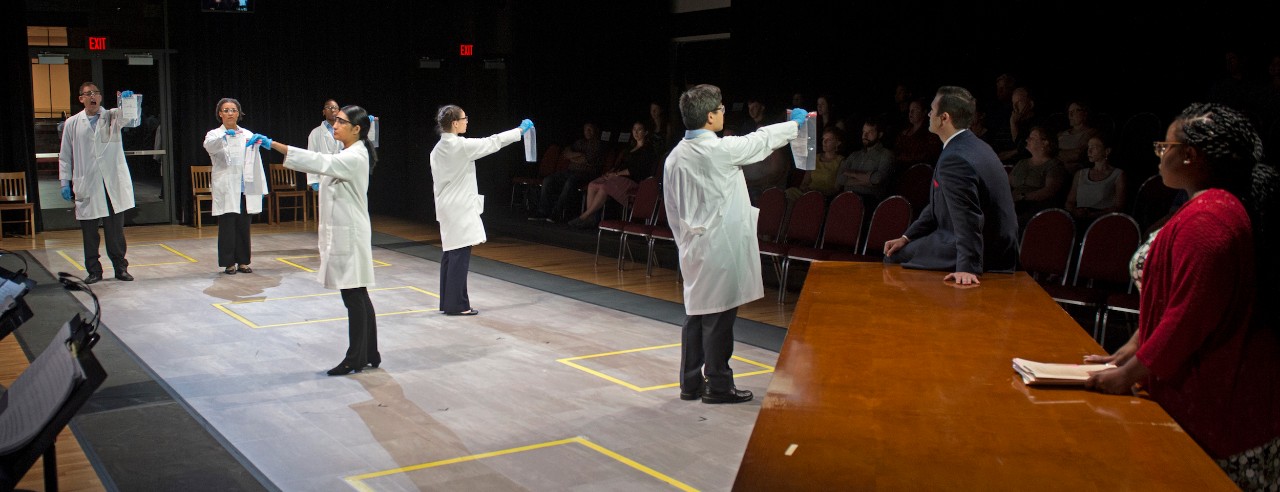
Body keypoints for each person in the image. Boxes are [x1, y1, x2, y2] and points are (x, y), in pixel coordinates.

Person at [1084, 103, 1280, 490]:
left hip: (1218, 404)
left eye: (1164, 147)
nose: (1159, 156)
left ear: (1189, 155)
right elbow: (1172, 300)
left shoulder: (1210, 218)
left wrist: (1129, 375)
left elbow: (1189, 316)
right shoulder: (1208, 207)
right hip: (1203, 388)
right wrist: (1133, 347)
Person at [664, 83, 807, 404]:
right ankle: (718, 384)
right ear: (711, 116)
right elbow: (758, 141)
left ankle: (690, 383)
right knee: (719, 318)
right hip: (719, 247)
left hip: (693, 246)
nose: (724, 111)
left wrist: (684, 242)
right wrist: (794, 124)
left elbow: (671, 209)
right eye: (721, 108)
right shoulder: (719, 150)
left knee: (697, 314)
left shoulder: (674, 157)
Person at [248, 106, 379, 376]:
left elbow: (318, 161)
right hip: (347, 230)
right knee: (357, 293)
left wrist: (274, 145)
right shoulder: (349, 152)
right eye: (336, 120)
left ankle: (355, 358)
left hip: (350, 233)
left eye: (342, 121)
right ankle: (370, 352)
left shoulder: (354, 156)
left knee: (353, 295)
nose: (335, 124)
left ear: (357, 128)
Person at [884, 86, 1018, 285]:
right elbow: (940, 203)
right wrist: (907, 237)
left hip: (980, 250)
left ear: (944, 117)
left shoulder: (955, 158)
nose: (929, 115)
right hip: (999, 247)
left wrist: (967, 267)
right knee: (900, 248)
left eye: (932, 110)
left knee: (892, 257)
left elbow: (968, 215)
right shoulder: (974, 145)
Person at [429, 105, 532, 315]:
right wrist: (519, 131)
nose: (467, 121)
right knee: (459, 253)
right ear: (455, 123)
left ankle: (449, 302)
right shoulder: (460, 146)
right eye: (464, 118)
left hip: (446, 206)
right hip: (458, 207)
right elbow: (493, 142)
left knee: (451, 253)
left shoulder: (438, 149)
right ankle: (457, 305)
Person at [57, 82, 139, 284]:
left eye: (96, 93)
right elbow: (65, 155)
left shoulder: (112, 116)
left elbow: (132, 119)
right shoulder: (72, 123)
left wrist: (128, 101)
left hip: (110, 184)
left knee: (115, 232)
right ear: (81, 99)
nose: (92, 97)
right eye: (88, 94)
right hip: (88, 184)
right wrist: (64, 182)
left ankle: (120, 268)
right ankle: (94, 270)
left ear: (100, 97)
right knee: (89, 233)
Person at [202, 98, 268, 274]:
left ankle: (243, 261)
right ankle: (228, 262)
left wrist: (260, 187)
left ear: (239, 113)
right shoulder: (214, 134)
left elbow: (255, 161)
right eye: (226, 110)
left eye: (233, 110)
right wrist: (225, 137)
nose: (230, 113)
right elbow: (210, 147)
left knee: (243, 225)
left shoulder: (247, 134)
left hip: (244, 187)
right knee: (227, 225)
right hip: (226, 186)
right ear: (220, 114)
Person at [569, 121, 657, 228]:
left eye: (639, 130)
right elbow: (619, 164)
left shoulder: (647, 150)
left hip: (633, 180)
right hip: (618, 177)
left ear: (646, 132)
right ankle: (591, 219)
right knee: (592, 184)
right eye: (634, 129)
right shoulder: (629, 149)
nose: (636, 132)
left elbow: (635, 170)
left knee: (604, 187)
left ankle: (584, 216)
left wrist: (616, 174)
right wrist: (611, 172)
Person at [529, 122, 604, 221]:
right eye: (586, 129)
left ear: (595, 131)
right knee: (548, 180)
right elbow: (566, 154)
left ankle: (557, 213)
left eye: (590, 129)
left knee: (570, 182)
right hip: (571, 171)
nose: (587, 132)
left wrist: (574, 156)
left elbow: (587, 160)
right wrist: (579, 155)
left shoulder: (598, 144)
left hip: (587, 173)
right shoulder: (579, 142)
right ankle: (543, 211)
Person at [1009, 126, 1068, 226]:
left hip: (1035, 207)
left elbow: (1049, 190)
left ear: (1045, 142)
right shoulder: (1021, 163)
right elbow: (1006, 184)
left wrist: (1022, 197)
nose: (1027, 140)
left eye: (1032, 137)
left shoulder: (1054, 165)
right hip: (1013, 204)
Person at [1064, 135, 1126, 225]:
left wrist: (1093, 215)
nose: (1089, 151)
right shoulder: (1080, 174)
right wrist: (1075, 211)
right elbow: (1069, 202)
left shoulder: (1118, 175)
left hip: (1103, 222)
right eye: (1089, 147)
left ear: (1107, 151)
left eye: (1094, 147)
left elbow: (1119, 207)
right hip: (1079, 220)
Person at [836, 120, 896, 205]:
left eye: (870, 132)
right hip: (847, 198)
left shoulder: (886, 154)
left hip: (869, 200)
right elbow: (840, 179)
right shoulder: (854, 155)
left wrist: (851, 174)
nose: (865, 135)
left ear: (880, 134)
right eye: (864, 131)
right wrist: (868, 181)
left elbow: (877, 179)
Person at [785, 128, 844, 202]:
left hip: (824, 196)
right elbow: (805, 182)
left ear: (837, 143)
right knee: (789, 193)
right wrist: (806, 189)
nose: (824, 142)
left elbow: (836, 188)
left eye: (829, 140)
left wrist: (818, 192)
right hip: (808, 192)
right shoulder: (814, 158)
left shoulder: (841, 161)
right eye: (823, 139)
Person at [306, 99, 344, 191]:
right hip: (323, 178)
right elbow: (311, 156)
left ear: (339, 111)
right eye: (329, 107)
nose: (333, 110)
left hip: (342, 176)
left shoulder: (345, 130)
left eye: (335, 107)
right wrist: (314, 180)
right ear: (324, 112)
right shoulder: (315, 133)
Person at [1055, 101, 1100, 174]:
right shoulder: (1061, 134)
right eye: (1069, 112)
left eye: (1074, 111)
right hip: (1052, 171)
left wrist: (1054, 153)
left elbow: (1077, 154)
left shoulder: (1091, 133)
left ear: (1085, 113)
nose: (1070, 115)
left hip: (1072, 174)